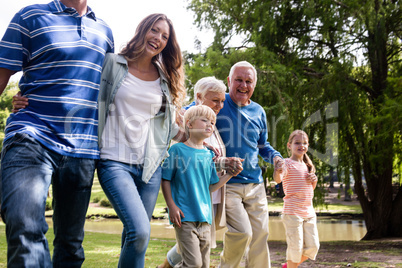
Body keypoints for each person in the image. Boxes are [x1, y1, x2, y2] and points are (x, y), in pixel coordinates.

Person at [0, 0, 114, 266]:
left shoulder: (105, 32)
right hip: (31, 135)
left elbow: (108, 91)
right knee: (24, 227)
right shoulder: (30, 16)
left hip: (83, 149)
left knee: (71, 246)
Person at [96, 13, 186, 268]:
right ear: (143, 29)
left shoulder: (164, 78)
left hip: (149, 167)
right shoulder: (113, 63)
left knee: (133, 237)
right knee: (140, 231)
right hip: (114, 161)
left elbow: (165, 127)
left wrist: (196, 138)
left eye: (164, 36)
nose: (158, 38)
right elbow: (84, 91)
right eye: (154, 31)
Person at [157, 76, 243, 268]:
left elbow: (207, 164)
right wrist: (171, 205)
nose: (220, 105)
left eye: (222, 101)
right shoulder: (186, 119)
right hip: (186, 205)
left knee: (199, 258)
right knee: (191, 257)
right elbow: (181, 154)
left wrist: (228, 170)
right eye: (216, 100)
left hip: (204, 208)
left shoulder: (208, 124)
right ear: (199, 96)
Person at [216, 61, 284, 268]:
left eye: (248, 81)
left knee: (261, 234)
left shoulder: (258, 111)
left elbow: (263, 145)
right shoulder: (218, 102)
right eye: (238, 80)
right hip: (228, 183)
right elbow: (191, 114)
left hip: (255, 184)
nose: (243, 85)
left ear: (254, 85)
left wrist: (276, 158)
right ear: (229, 81)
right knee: (241, 232)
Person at [273, 130, 320, 268]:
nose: (301, 146)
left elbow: (310, 190)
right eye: (297, 143)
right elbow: (278, 180)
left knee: (314, 246)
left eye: (304, 143)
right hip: (293, 212)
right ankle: (291, 266)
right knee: (295, 249)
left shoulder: (308, 166)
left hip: (309, 212)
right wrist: (277, 171)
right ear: (289, 145)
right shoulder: (286, 163)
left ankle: (287, 266)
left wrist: (314, 180)